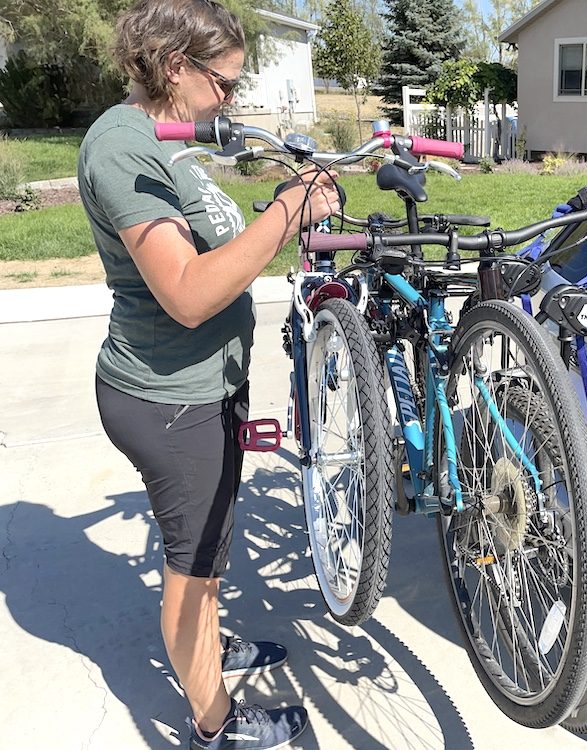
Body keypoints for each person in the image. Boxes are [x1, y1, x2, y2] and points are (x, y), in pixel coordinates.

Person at [77, 1, 341, 747]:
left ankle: (210, 657)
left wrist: (275, 208)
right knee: (192, 573)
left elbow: (213, 242)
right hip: (168, 400)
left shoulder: (168, 142)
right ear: (173, 67)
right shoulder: (123, 149)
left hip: (201, 390)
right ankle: (214, 724)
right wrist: (287, 212)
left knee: (212, 551)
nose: (231, 96)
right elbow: (188, 293)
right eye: (223, 82)